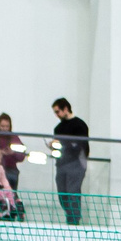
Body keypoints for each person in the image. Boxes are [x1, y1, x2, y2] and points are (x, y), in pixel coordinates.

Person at [49, 97, 89, 226]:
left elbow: (80, 146)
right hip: (62, 163)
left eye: (58, 111)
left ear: (65, 109)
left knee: (73, 191)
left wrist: (63, 144)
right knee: (62, 192)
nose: (57, 115)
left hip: (76, 163)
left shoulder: (80, 125)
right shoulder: (58, 128)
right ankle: (70, 215)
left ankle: (74, 219)